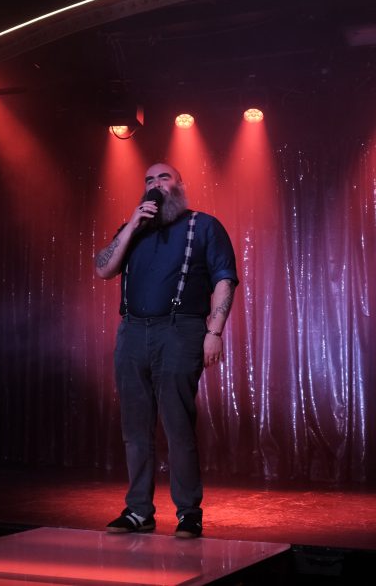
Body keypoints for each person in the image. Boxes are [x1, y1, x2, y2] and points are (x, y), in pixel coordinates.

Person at [94, 162, 238, 539]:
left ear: (179, 185)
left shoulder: (204, 226)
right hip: (132, 332)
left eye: (164, 178)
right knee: (135, 426)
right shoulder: (133, 231)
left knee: (176, 424)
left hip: (180, 330)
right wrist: (130, 226)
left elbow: (224, 279)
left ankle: (189, 512)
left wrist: (215, 330)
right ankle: (139, 510)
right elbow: (104, 269)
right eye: (148, 180)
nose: (155, 185)